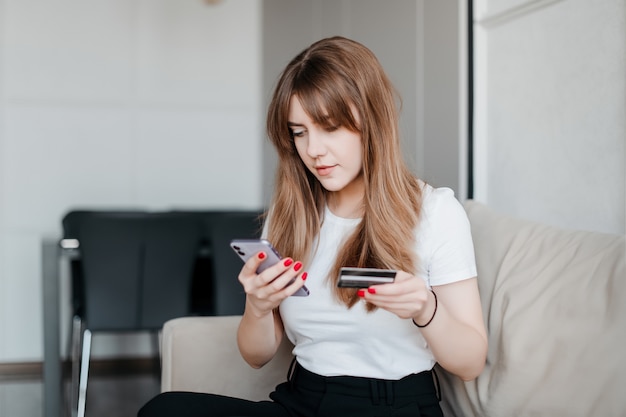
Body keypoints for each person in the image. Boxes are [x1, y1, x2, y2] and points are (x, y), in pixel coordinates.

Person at [139, 36, 487, 417]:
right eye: (299, 132)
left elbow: (469, 363)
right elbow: (256, 356)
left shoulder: (435, 212)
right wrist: (257, 307)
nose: (313, 150)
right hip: (302, 400)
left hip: (394, 406)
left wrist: (425, 307)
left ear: (371, 121)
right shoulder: (292, 214)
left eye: (329, 127)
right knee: (164, 410)